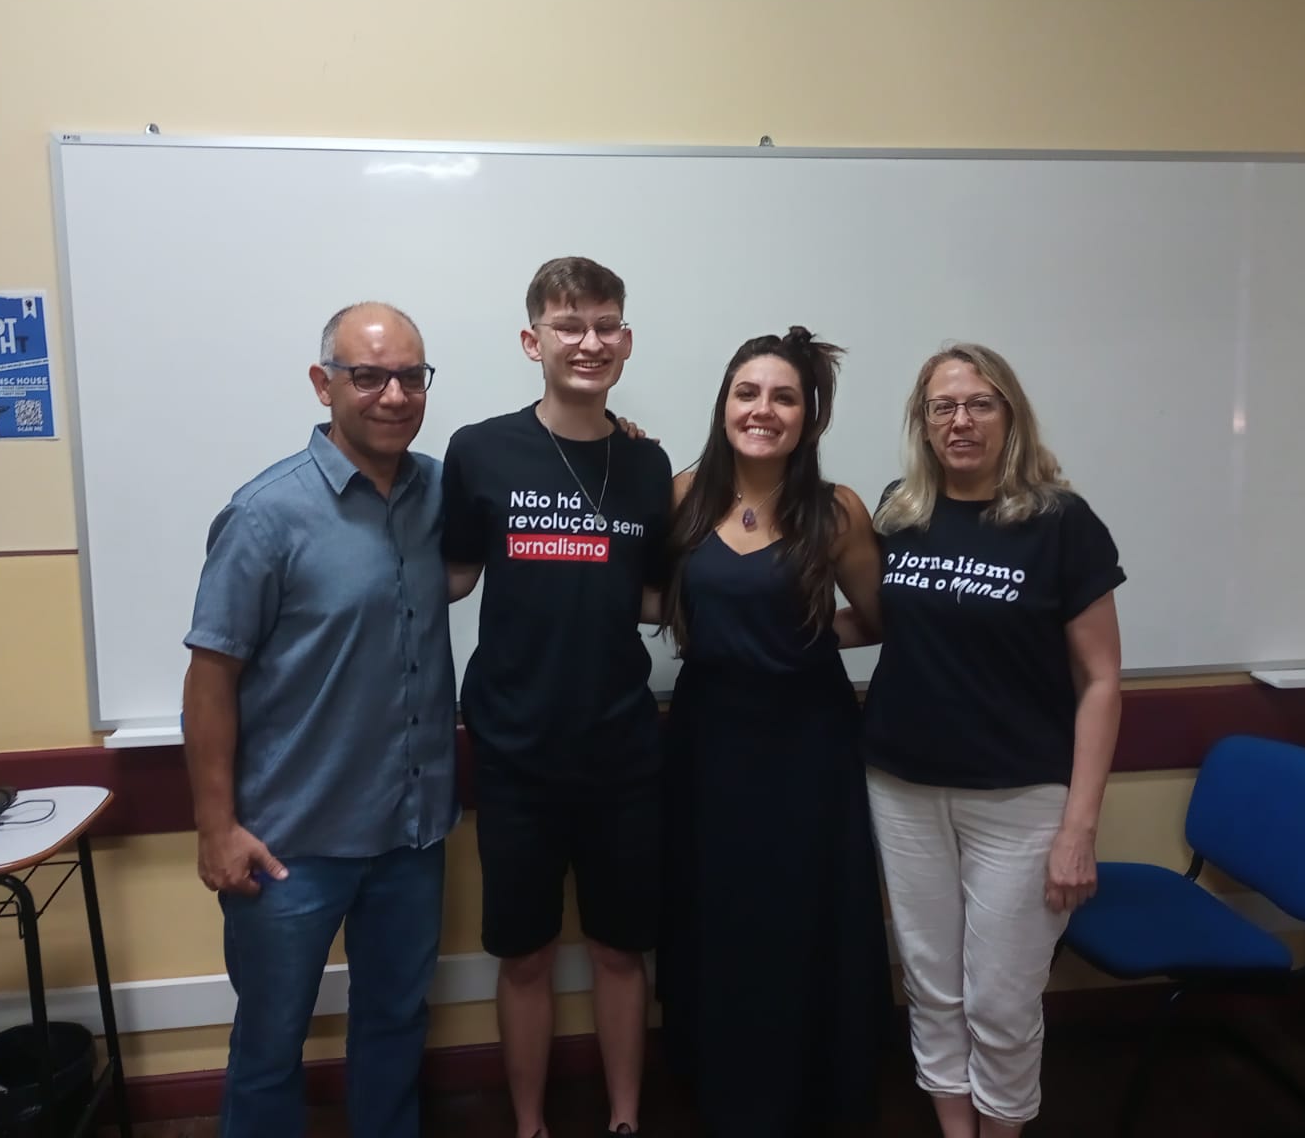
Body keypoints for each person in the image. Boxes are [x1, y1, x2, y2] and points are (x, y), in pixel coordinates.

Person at [182, 302, 456, 1138]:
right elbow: (211, 676)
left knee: (396, 1027)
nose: (393, 395)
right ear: (323, 383)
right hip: (289, 845)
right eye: (368, 375)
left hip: (411, 836)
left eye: (411, 376)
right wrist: (214, 827)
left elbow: (546, 482)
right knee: (270, 1047)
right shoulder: (266, 514)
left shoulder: (442, 489)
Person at [859, 343, 1124, 1137]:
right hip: (902, 787)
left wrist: (1079, 827)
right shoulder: (897, 513)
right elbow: (871, 623)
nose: (961, 420)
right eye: (943, 406)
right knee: (933, 985)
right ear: (923, 422)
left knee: (1002, 999)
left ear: (1010, 414)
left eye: (980, 403)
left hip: (1021, 798)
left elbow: (1102, 680)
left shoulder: (1060, 522)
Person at [442, 257, 673, 1138]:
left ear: (625, 339)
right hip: (513, 751)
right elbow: (453, 577)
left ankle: (623, 1119)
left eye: (606, 325)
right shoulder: (479, 449)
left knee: (621, 949)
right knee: (525, 954)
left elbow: (655, 596)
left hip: (621, 751)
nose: (590, 342)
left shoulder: (650, 465)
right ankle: (530, 1124)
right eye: (570, 326)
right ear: (532, 340)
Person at [655, 326, 893, 1136]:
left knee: (802, 917)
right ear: (724, 405)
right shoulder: (682, 494)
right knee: (719, 914)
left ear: (809, 415)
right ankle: (726, 1088)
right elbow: (652, 598)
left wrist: (801, 635)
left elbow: (877, 618)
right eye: (747, 393)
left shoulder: (836, 512)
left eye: (784, 397)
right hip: (709, 741)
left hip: (809, 746)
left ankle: (813, 1092)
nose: (763, 410)